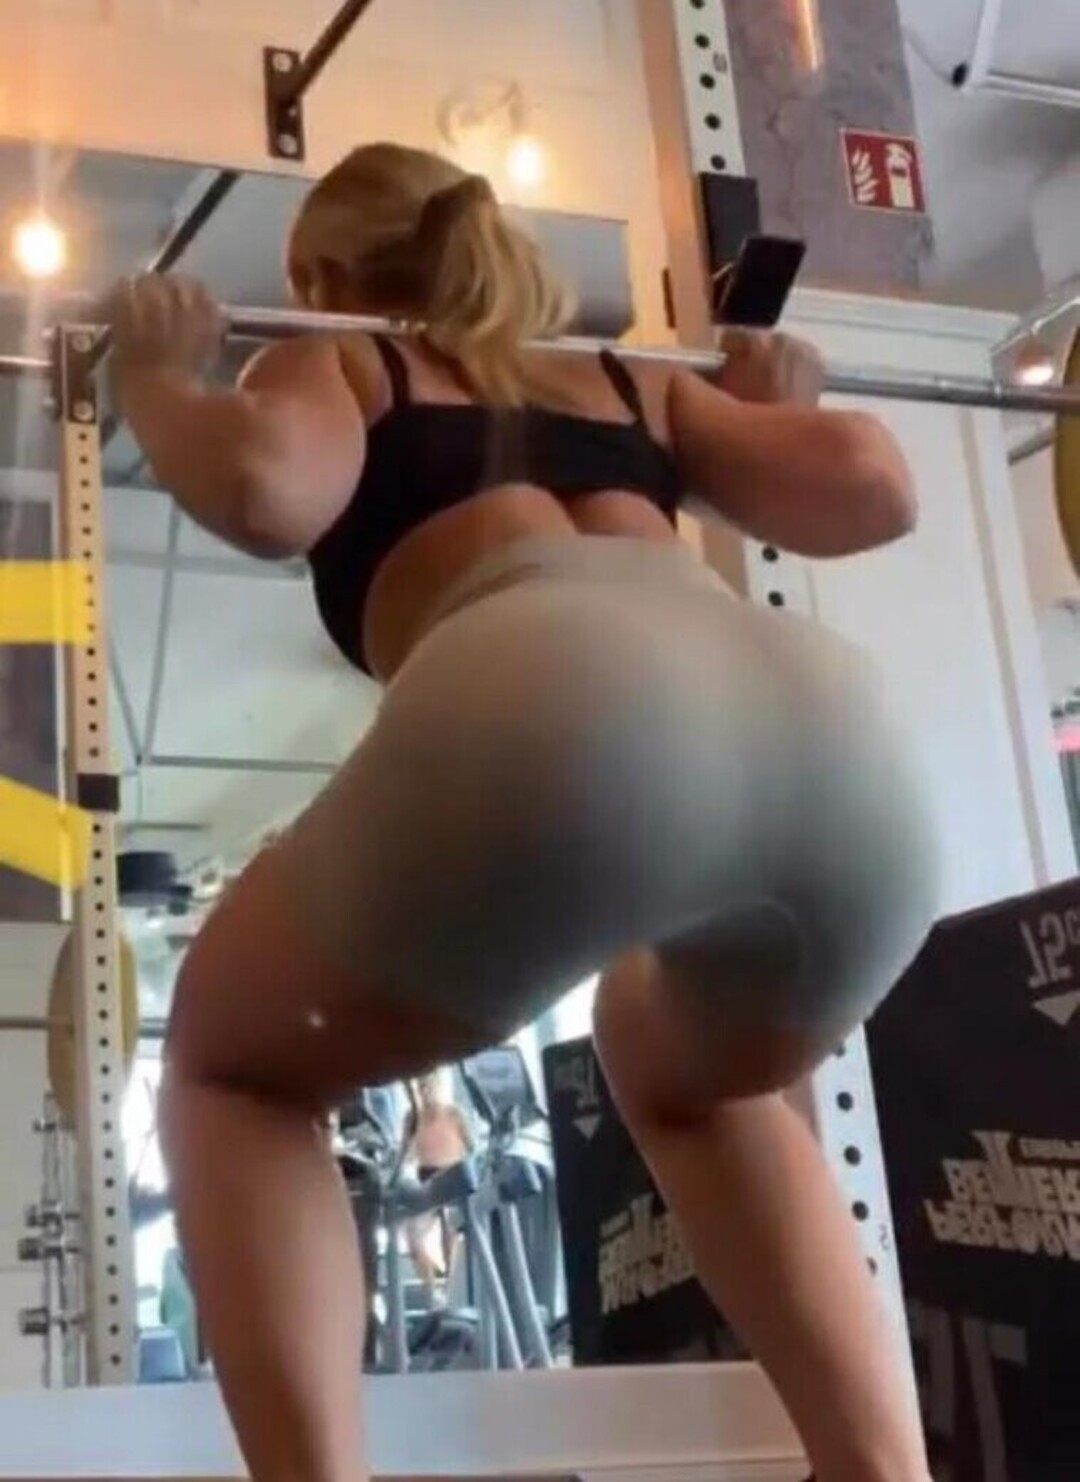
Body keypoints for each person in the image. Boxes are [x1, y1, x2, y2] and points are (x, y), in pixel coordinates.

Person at [108, 142, 939, 1482]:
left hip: (558, 701)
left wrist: (155, 378)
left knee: (229, 1067)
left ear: (324, 279)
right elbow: (875, 488)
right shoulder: (630, 382)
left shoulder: (351, 361)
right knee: (682, 1069)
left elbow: (265, 488)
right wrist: (769, 409)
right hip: (845, 745)